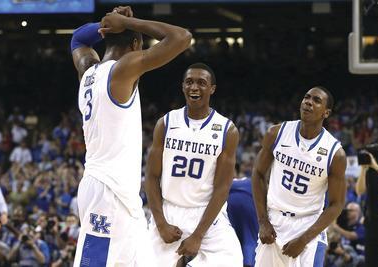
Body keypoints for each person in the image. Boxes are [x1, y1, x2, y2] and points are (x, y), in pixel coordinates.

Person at [71, 6, 191, 266]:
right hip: (107, 191)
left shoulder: (87, 71)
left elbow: (78, 38)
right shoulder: (122, 69)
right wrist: (129, 21)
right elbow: (182, 37)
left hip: (117, 192)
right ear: (136, 43)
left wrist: (107, 23)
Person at [145, 63, 243, 267]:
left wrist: (198, 234)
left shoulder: (227, 130)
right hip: (168, 210)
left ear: (212, 89)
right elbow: (152, 177)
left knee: (233, 261)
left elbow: (222, 188)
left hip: (206, 214)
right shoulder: (166, 123)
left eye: (201, 83)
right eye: (189, 82)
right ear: (182, 87)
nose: (194, 87)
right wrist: (161, 224)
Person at [252, 86, 347, 266]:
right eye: (306, 97)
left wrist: (304, 240)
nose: (308, 102)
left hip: (308, 226)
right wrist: (263, 221)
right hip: (274, 221)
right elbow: (257, 174)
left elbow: (337, 204)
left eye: (316, 100)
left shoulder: (335, 154)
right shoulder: (277, 133)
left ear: (326, 113)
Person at [355, 138, 378, 267]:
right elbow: (360, 190)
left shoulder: (377, 168)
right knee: (371, 260)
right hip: (373, 220)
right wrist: (364, 169)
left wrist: (377, 168)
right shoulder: (372, 168)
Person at [227, 176, 259, 267]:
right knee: (250, 238)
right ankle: (248, 262)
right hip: (249, 203)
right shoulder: (251, 180)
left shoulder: (225, 180)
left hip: (229, 201)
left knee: (231, 239)